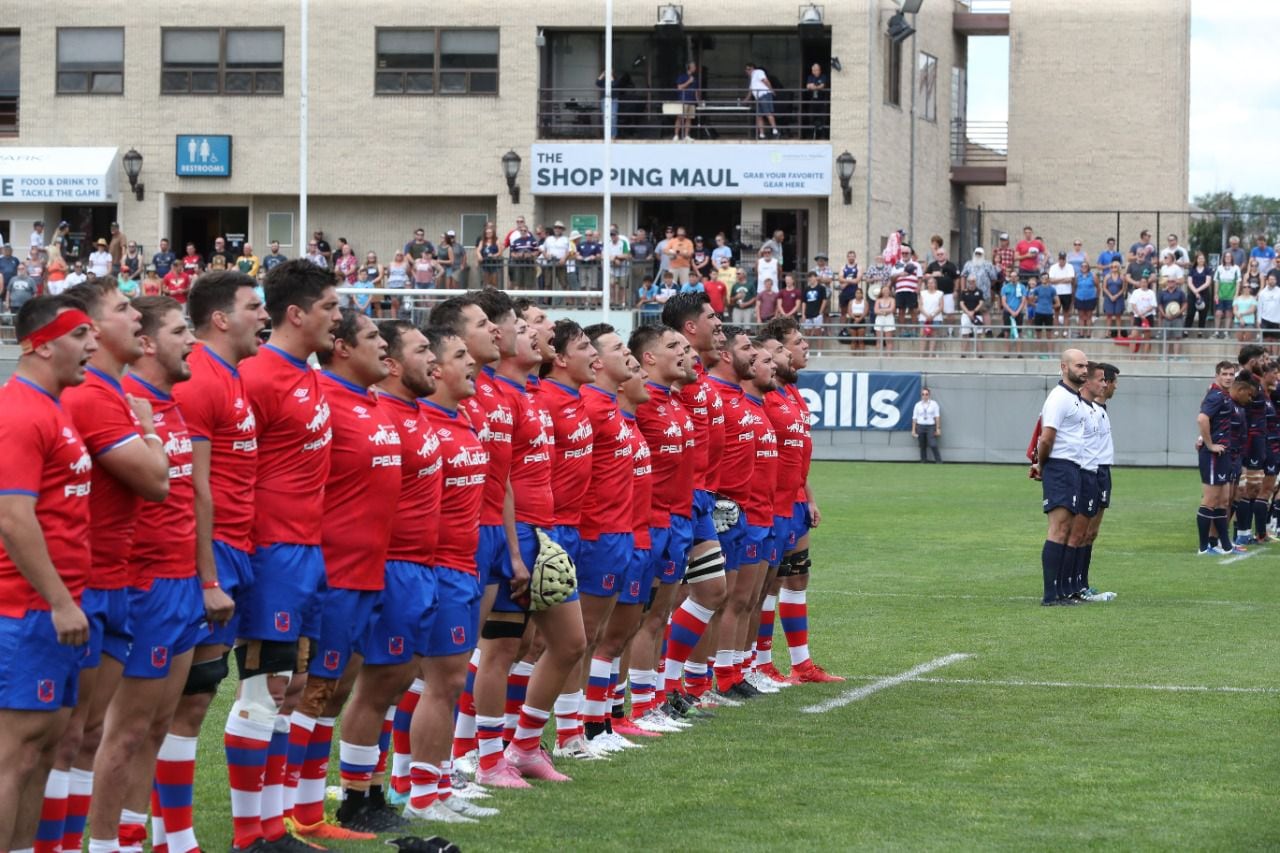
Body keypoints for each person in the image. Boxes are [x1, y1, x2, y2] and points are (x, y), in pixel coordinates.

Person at [218, 260, 340, 851]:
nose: (338, 319)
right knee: (261, 690)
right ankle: (251, 836)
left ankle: (275, 826)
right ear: (298, 313)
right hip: (273, 554)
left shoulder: (309, 373)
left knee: (291, 690)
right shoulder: (258, 377)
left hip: (309, 553)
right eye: (330, 309)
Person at [86, 297, 206, 852]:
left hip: (181, 585)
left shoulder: (172, 403)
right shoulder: (127, 405)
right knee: (124, 731)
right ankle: (107, 842)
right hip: (144, 586)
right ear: (150, 344)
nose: (194, 343)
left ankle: (138, 837)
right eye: (183, 332)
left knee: (158, 727)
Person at [0, 296, 96, 853]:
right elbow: (13, 518)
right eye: (80, 334)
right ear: (41, 344)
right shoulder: (20, 412)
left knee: (43, 747)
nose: (92, 345)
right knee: (13, 754)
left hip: (54, 609)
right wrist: (59, 600)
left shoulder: (55, 405)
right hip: (25, 610)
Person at [1030, 349, 1092, 605]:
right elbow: (1047, 437)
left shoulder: (1074, 397)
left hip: (1072, 467)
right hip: (1060, 467)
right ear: (1064, 367)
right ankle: (1050, 595)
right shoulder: (1058, 398)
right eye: (1079, 366)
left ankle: (1059, 592)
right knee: (1058, 529)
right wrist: (1042, 465)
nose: (1084, 370)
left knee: (1066, 530)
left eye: (1086, 366)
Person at [743, 62, 778, 139]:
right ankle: (762, 134)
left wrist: (771, 90)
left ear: (753, 68)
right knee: (759, 116)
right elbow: (751, 91)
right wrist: (746, 100)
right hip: (758, 97)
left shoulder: (758, 72)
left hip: (764, 94)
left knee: (768, 113)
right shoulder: (752, 78)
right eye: (746, 70)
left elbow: (765, 80)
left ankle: (775, 131)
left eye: (748, 69)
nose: (747, 71)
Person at [1185, 251, 1213, 337]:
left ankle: (1200, 331)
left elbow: (1207, 283)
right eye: (1199, 258)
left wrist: (1198, 291)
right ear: (1196, 260)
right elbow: (1189, 282)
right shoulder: (1192, 269)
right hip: (1193, 294)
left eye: (1202, 258)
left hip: (1204, 294)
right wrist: (1195, 292)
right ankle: (1186, 330)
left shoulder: (1208, 270)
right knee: (1190, 312)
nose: (1201, 260)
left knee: (1203, 313)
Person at [1048, 251, 1075, 336]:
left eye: (1063, 259)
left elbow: (1070, 279)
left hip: (1067, 292)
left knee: (1066, 313)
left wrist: (1058, 280)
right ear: (1058, 258)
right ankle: (1056, 330)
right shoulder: (1053, 267)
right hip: (1056, 293)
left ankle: (1065, 331)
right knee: (1056, 312)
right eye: (1060, 259)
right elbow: (1051, 280)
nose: (1062, 261)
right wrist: (1064, 279)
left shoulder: (1070, 266)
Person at [1000, 274, 1028, 357]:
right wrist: (1011, 311)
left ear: (1018, 277)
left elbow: (1023, 301)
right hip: (1008, 312)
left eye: (1015, 276)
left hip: (1018, 312)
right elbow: (1003, 302)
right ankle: (1007, 353)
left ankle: (1019, 353)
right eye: (1011, 276)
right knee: (1006, 333)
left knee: (1019, 333)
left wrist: (1017, 311)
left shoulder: (1022, 287)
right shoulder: (1005, 287)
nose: (1013, 278)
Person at [911, 388, 942, 463]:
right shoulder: (917, 405)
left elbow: (937, 417)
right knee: (922, 445)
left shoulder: (934, 404)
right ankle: (923, 460)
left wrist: (938, 428)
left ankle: (939, 461)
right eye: (923, 394)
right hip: (920, 426)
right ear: (921, 395)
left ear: (929, 395)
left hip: (930, 427)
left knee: (933, 444)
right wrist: (913, 430)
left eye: (926, 394)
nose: (925, 396)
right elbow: (914, 418)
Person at [674, 61, 699, 141]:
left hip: (691, 101)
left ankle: (686, 136)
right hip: (683, 100)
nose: (695, 68)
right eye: (693, 66)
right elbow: (679, 88)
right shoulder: (682, 77)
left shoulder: (695, 78)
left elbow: (696, 90)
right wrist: (689, 82)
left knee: (689, 118)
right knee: (680, 118)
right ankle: (676, 135)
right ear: (689, 68)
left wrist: (697, 100)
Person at [804, 62, 830, 139]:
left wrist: (814, 87)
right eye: (814, 70)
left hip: (822, 102)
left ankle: (823, 136)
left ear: (820, 70)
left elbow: (822, 86)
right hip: (813, 101)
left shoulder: (823, 77)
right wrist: (815, 87)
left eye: (817, 70)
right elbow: (808, 86)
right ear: (812, 71)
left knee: (823, 119)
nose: (815, 71)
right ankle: (812, 135)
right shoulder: (810, 77)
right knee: (811, 118)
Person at [801, 270, 829, 337]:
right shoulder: (806, 289)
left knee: (818, 333)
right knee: (807, 333)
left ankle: (819, 348)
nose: (810, 279)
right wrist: (803, 314)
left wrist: (820, 312)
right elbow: (804, 302)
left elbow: (824, 300)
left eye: (812, 277)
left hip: (817, 313)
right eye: (809, 277)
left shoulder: (821, 288)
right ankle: (808, 347)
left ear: (816, 278)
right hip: (808, 313)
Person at [1074, 260, 1098, 337]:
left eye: (1085, 266)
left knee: (1089, 316)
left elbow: (1098, 287)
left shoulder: (1093, 276)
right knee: (1081, 316)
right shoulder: (1077, 276)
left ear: (1088, 267)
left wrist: (1096, 296)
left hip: (1090, 298)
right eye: (1082, 266)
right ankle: (1081, 333)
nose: (1084, 267)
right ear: (1080, 268)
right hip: (1079, 298)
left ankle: (1088, 333)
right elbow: (1074, 287)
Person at [873, 284, 896, 352]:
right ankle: (878, 358)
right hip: (879, 319)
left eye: (887, 290)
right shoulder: (878, 300)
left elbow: (892, 309)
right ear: (882, 291)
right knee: (879, 340)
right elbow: (875, 310)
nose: (886, 291)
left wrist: (881, 310)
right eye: (884, 290)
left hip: (889, 319)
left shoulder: (892, 299)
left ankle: (888, 358)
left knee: (888, 340)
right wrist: (884, 312)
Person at [1259, 272, 1280, 341]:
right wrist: (1259, 320)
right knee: (1266, 340)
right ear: (1267, 281)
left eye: (1273, 279)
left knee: (1275, 340)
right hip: (1265, 319)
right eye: (1270, 279)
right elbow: (1260, 307)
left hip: (1277, 320)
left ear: (1276, 281)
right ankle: (1268, 352)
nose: (1272, 281)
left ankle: (1274, 353)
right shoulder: (1262, 293)